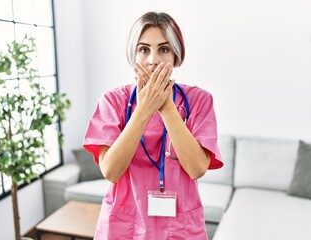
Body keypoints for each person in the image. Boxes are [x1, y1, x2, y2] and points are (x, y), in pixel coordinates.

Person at [83, 11, 223, 240]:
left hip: (179, 228)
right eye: (144, 49)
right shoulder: (113, 102)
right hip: (124, 226)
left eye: (164, 49)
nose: (153, 60)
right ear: (133, 56)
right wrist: (145, 109)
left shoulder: (200, 101)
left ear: (176, 56)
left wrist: (166, 106)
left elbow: (197, 168)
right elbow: (111, 171)